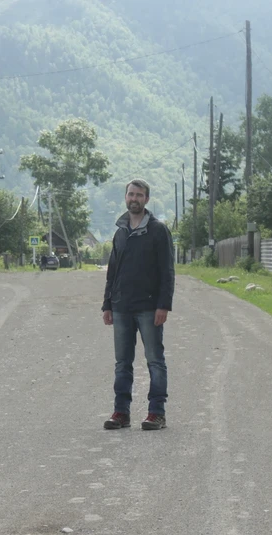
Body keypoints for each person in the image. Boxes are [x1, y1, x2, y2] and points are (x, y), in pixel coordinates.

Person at [101, 179, 175, 431]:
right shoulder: (120, 231)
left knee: (155, 361)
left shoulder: (158, 230)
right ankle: (121, 413)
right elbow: (112, 271)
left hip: (149, 307)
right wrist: (107, 304)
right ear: (125, 197)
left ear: (146, 199)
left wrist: (163, 305)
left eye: (139, 195)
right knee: (122, 363)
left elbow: (167, 271)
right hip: (121, 307)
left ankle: (157, 413)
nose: (134, 199)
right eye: (131, 194)